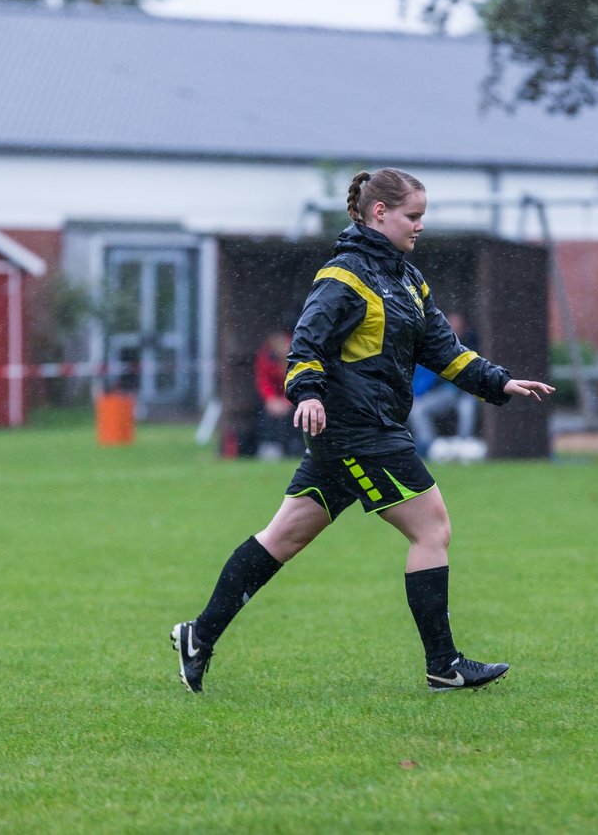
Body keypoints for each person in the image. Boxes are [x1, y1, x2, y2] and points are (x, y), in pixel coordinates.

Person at [170, 168, 554, 693]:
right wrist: (306, 393)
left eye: (422, 217)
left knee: (281, 538)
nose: (420, 226)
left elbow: (444, 351)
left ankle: (199, 635)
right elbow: (305, 346)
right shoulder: (343, 276)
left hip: (360, 433)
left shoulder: (408, 280)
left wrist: (500, 381)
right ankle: (443, 665)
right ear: (380, 213)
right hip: (361, 432)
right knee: (431, 528)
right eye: (412, 216)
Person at [409, 311, 479, 457]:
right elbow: (427, 377)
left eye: (457, 324)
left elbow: (477, 372)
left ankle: (463, 448)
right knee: (417, 409)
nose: (454, 327)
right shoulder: (437, 345)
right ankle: (429, 447)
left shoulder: (471, 344)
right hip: (444, 394)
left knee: (467, 408)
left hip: (465, 393)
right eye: (451, 324)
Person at [252, 327, 302, 459]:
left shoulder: (298, 357)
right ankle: (270, 446)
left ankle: (295, 446)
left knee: (297, 417)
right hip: (275, 399)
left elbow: (298, 381)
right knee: (266, 416)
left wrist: (288, 401)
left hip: (294, 398)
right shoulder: (266, 358)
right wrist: (271, 400)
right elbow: (263, 380)